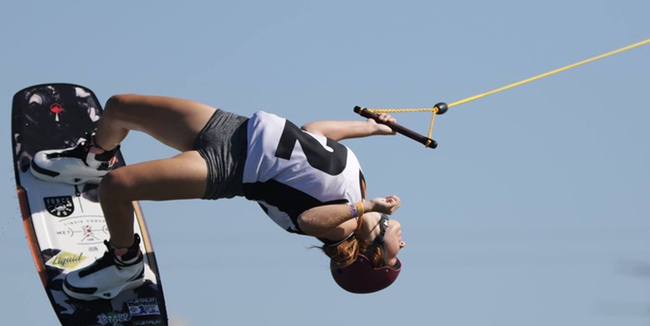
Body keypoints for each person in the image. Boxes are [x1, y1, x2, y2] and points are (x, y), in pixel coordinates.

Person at [30, 94, 405, 299]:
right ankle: (95, 156)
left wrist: (369, 208)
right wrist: (371, 128)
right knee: (119, 108)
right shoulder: (359, 189)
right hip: (232, 126)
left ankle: (124, 263)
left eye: (396, 255)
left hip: (226, 168)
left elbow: (309, 220)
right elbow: (314, 132)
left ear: (373, 256)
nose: (403, 245)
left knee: (116, 187)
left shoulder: (344, 227)